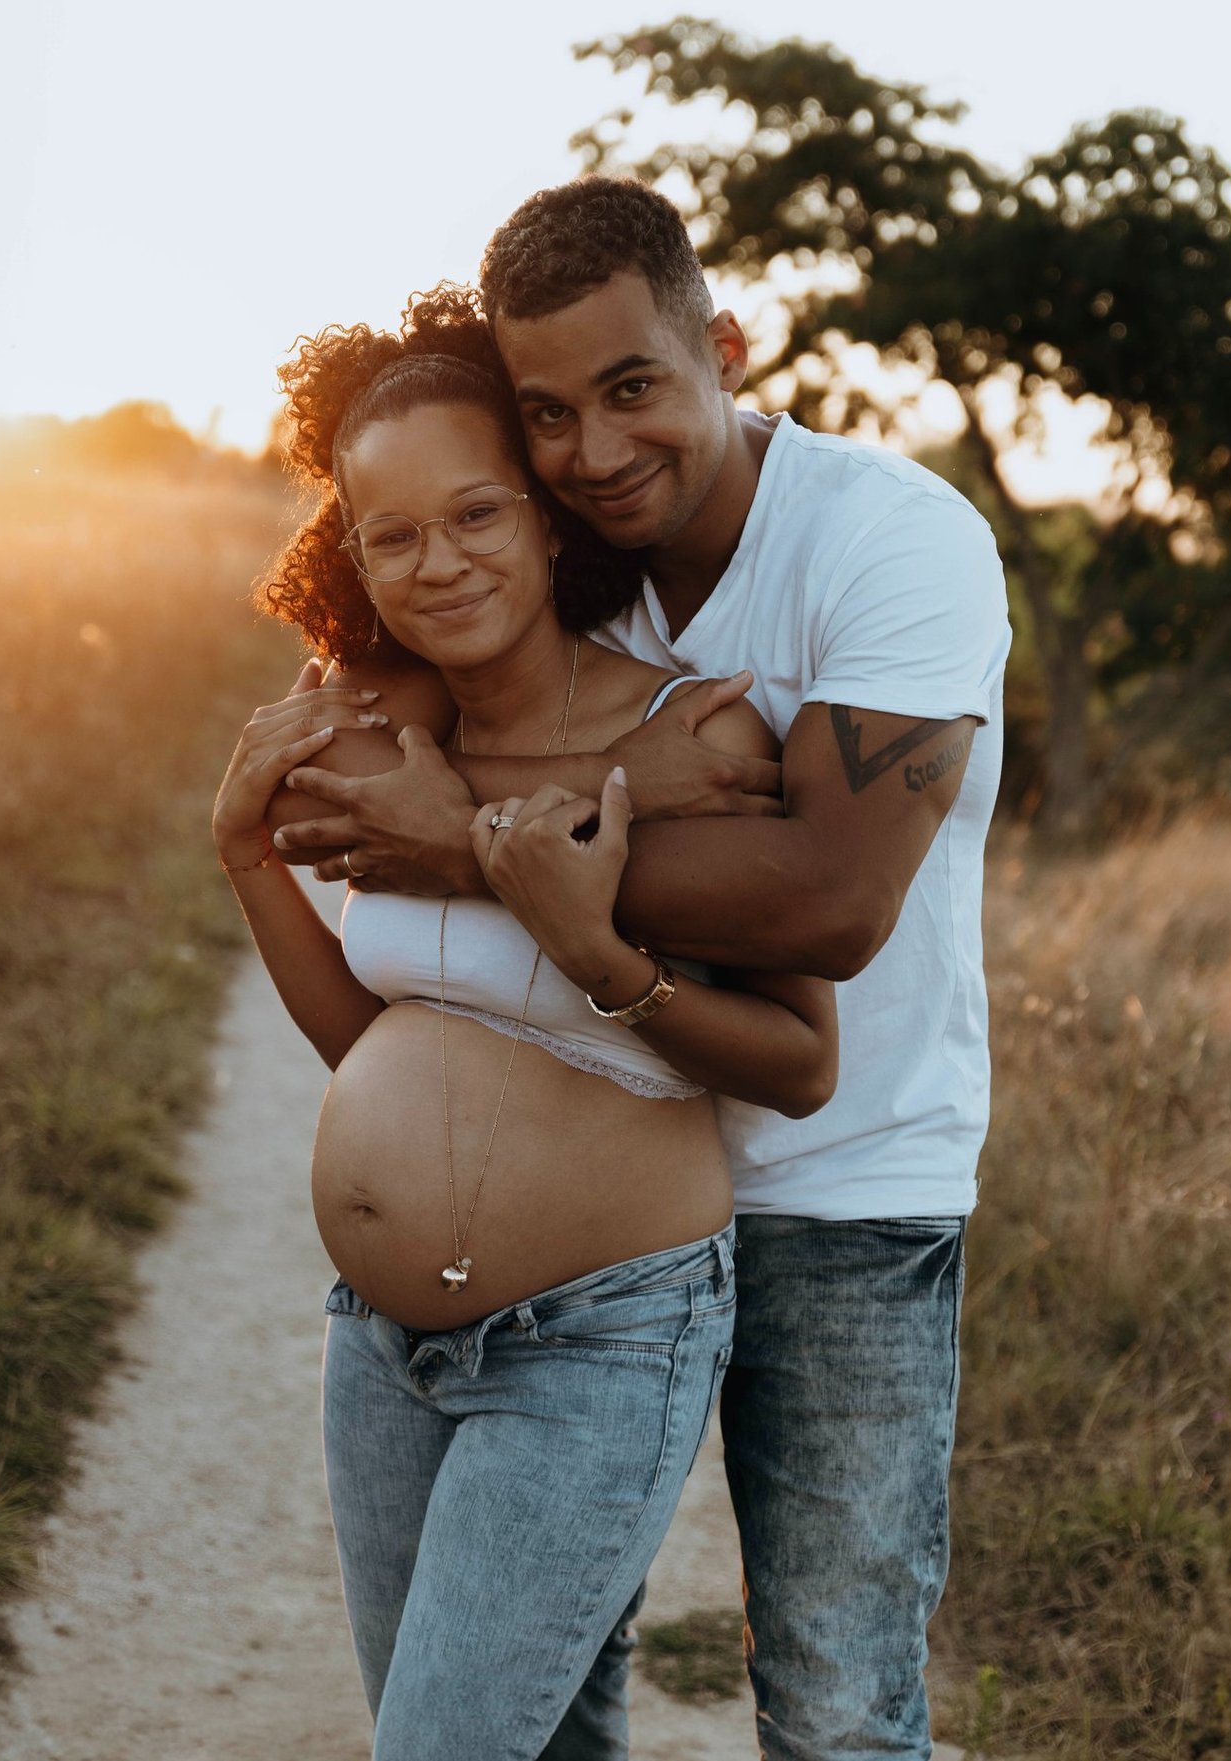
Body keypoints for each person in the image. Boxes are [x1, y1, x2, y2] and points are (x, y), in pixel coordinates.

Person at [273, 179, 1013, 1761]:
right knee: (551, 1708)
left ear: (725, 347)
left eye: (634, 389)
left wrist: (460, 831)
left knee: (831, 1699)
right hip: (587, 1239)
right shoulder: (572, 567)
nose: (597, 451)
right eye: (547, 413)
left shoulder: (891, 543)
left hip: (839, 1185)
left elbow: (825, 897)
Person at [211, 284, 838, 1760]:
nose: (439, 562)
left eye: (479, 513)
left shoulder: (700, 736)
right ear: (357, 552)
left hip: (600, 1337)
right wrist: (249, 861)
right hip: (381, 1351)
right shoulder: (385, 741)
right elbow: (372, 1046)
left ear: (551, 517)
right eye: (396, 533)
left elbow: (800, 1060)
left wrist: (595, 919)